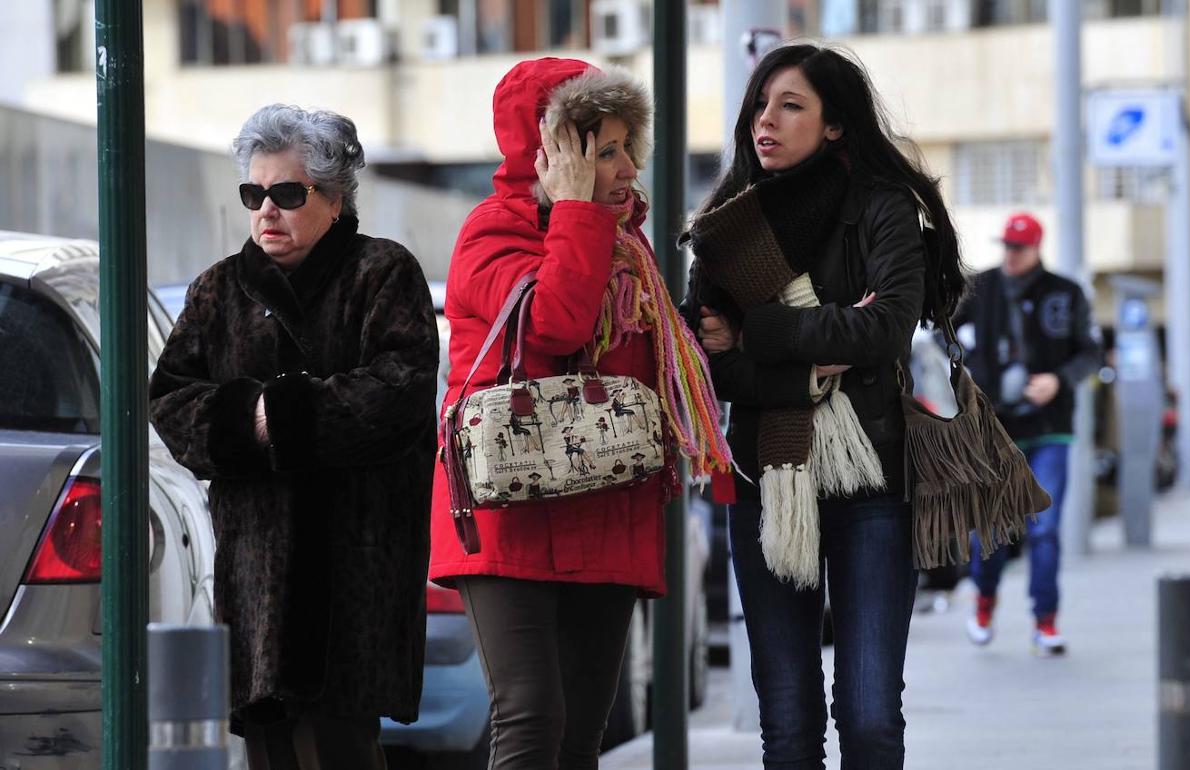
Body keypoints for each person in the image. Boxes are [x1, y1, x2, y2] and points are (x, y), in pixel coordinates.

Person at [428, 59, 728, 769]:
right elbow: (557, 326)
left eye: (629, 147)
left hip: (606, 507)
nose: (629, 167)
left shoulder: (624, 242)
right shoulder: (493, 231)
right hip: (511, 509)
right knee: (532, 715)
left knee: (579, 737)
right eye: (606, 151)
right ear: (553, 153)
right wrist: (576, 214)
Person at [686, 44, 967, 769]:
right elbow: (712, 367)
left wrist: (760, 330)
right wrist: (805, 366)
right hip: (765, 482)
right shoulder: (724, 226)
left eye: (790, 105)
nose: (765, 122)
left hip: (872, 483)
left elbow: (884, 329)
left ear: (836, 124)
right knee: (788, 722)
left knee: (870, 716)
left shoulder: (881, 209)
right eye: (759, 105)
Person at [149, 104, 440, 769]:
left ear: (334, 198)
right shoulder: (220, 290)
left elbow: (397, 392)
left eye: (286, 193)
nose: (266, 211)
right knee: (271, 745)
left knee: (341, 743)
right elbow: (169, 401)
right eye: (254, 194)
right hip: (255, 572)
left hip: (355, 570)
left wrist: (276, 417)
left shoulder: (382, 274)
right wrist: (246, 420)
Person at [956, 212, 1102, 656]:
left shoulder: (1066, 292)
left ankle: (1045, 620)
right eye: (1007, 247)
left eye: (1019, 248)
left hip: (1049, 429)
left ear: (1037, 247)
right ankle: (984, 600)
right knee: (992, 530)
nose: (1011, 256)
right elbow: (943, 333)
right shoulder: (979, 291)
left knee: (1046, 528)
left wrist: (1058, 380)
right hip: (996, 431)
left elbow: (1091, 352)